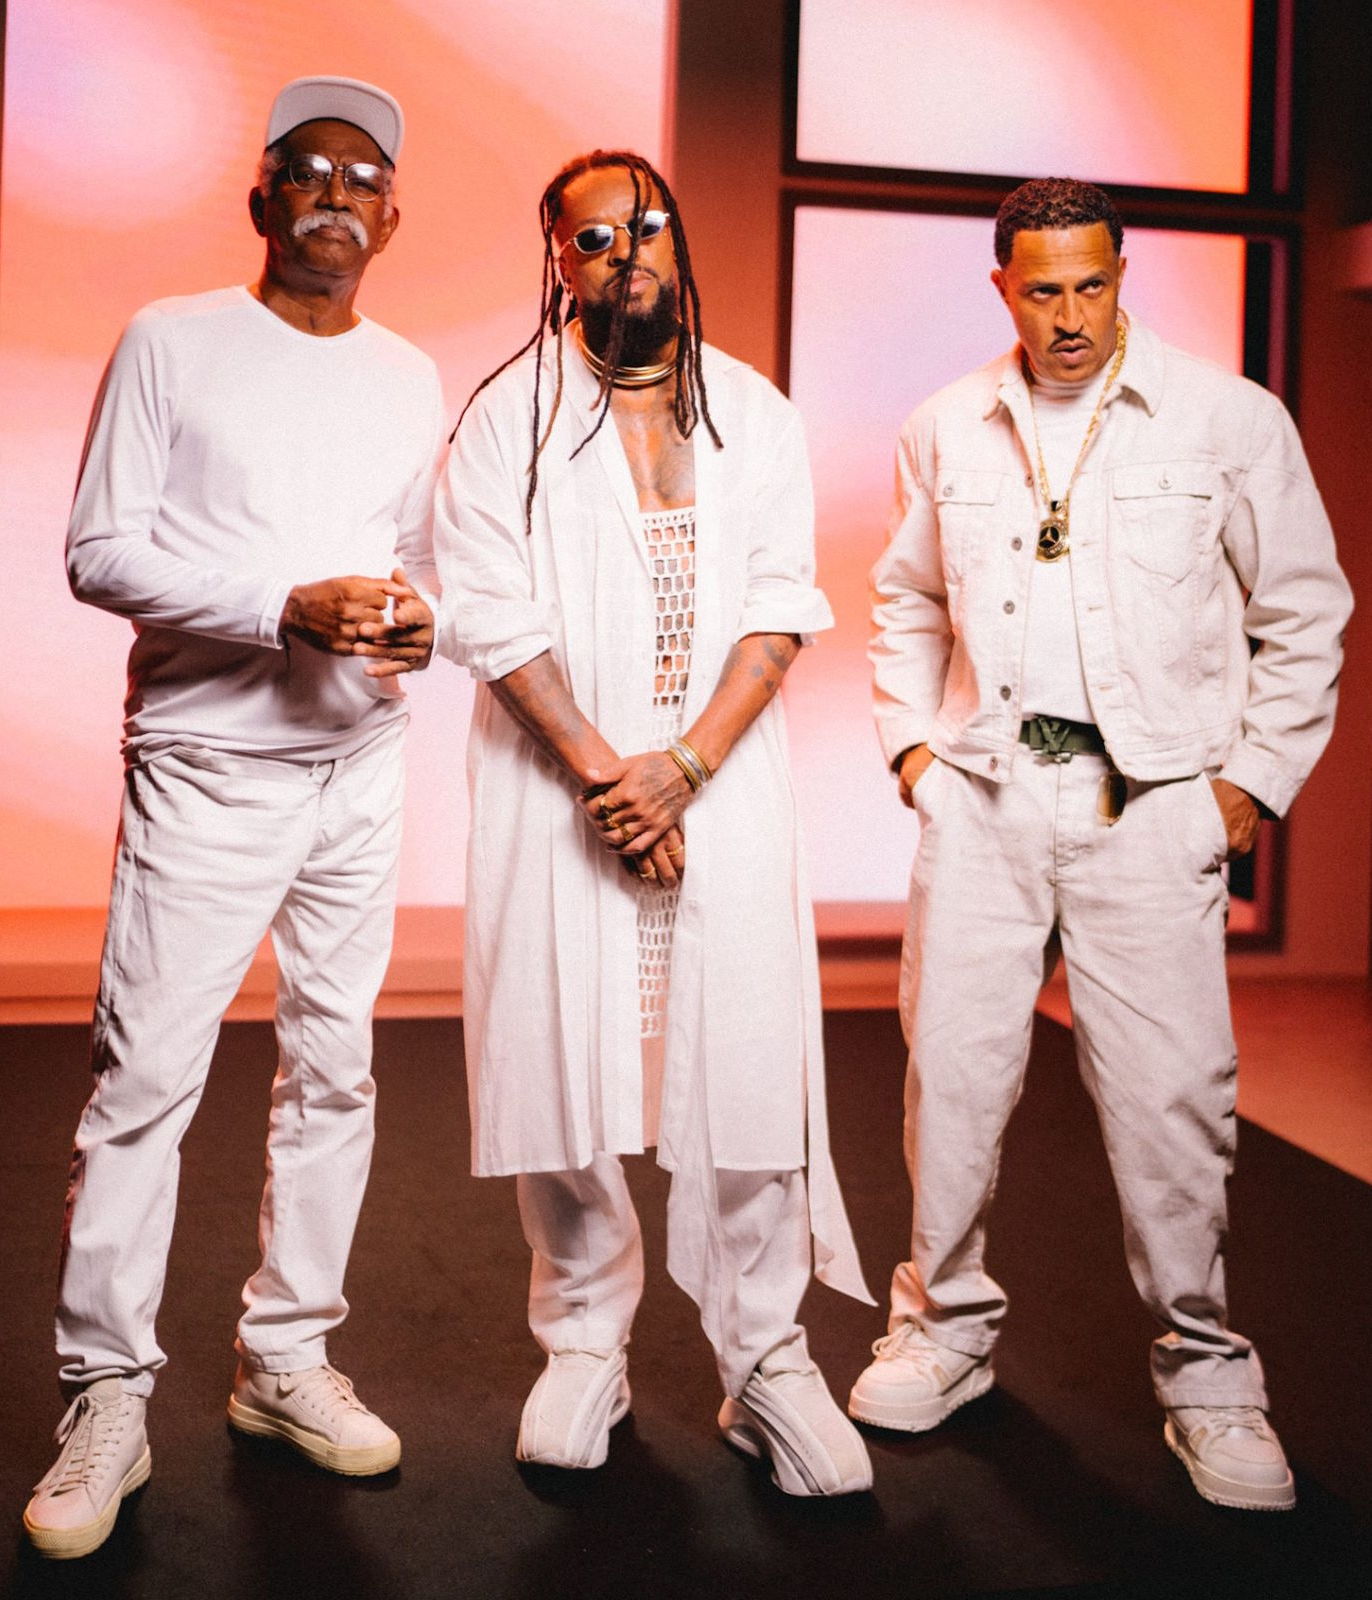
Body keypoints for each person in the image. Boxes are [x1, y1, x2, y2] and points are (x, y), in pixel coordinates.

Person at [853, 177, 1351, 1512]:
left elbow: (1304, 613)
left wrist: (1246, 788)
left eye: (1089, 284)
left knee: (1173, 1104)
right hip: (985, 796)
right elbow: (903, 598)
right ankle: (941, 1328)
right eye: (1041, 290)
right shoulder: (945, 424)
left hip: (1151, 804)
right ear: (1002, 288)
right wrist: (913, 754)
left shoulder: (1227, 419)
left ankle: (1208, 1378)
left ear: (1121, 273)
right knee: (951, 1085)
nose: (1068, 315)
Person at [23, 76, 443, 1559]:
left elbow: (414, 558)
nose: (334, 195)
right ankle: (106, 1393)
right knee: (147, 1083)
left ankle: (285, 1357)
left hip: (361, 766)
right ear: (262, 199)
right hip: (207, 764)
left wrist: (415, 623)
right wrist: (280, 606)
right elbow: (97, 551)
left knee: (337, 1073)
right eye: (306, 171)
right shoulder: (173, 338)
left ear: (391, 219)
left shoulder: (409, 373)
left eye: (362, 179)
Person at [434, 150, 874, 1496]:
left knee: (743, 1055)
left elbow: (780, 608)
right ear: (557, 264)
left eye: (647, 224)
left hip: (718, 784)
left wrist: (680, 769)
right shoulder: (506, 419)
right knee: (562, 1056)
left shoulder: (755, 411)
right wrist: (606, 781)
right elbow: (487, 614)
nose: (625, 250)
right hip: (557, 783)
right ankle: (583, 1340)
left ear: (678, 237)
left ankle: (765, 1356)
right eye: (592, 237)